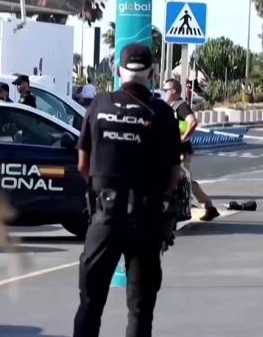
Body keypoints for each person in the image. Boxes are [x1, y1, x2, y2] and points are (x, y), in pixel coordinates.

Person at [72, 43, 182, 337]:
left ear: (118, 71)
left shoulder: (98, 106)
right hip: (146, 220)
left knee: (90, 303)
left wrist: (103, 187)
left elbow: (82, 164)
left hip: (105, 217)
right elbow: (174, 174)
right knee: (140, 309)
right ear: (152, 73)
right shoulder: (162, 113)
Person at [162, 78, 220, 222]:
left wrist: (184, 138)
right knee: (182, 180)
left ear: (173, 91)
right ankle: (203, 206)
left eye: (165, 90)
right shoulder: (172, 107)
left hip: (181, 151)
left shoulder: (181, 106)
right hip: (174, 150)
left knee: (185, 181)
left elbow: (192, 122)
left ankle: (207, 206)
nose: (164, 93)